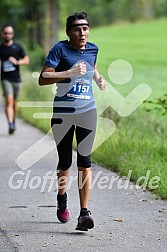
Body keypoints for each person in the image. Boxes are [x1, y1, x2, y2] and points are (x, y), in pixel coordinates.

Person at [39, 12, 106, 231]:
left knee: (85, 161)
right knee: (66, 162)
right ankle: (61, 196)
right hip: (63, 113)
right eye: (77, 29)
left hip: (88, 111)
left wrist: (98, 78)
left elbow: (92, 65)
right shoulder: (60, 49)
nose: (82, 32)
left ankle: (84, 213)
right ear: (69, 32)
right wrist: (69, 72)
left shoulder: (93, 49)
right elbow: (43, 77)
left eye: (85, 28)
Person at [0, 24, 30, 134]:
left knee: (14, 102)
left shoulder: (18, 47)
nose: (7, 35)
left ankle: (13, 120)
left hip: (16, 79)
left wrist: (17, 62)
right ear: (2, 34)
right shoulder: (0, 48)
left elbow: (27, 60)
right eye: (5, 33)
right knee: (9, 101)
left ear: (12, 34)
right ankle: (10, 124)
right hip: (5, 78)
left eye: (10, 33)